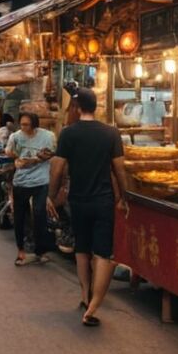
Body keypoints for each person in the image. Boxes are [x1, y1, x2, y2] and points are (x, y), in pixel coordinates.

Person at [48, 88, 128, 327]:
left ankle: (85, 297)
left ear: (77, 107)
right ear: (96, 107)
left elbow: (58, 168)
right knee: (103, 253)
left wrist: (50, 197)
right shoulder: (111, 133)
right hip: (103, 201)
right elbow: (120, 170)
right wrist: (124, 196)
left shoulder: (68, 134)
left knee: (82, 248)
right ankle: (93, 307)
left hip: (78, 201)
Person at [7, 112, 56, 266]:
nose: (23, 127)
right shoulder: (15, 137)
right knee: (19, 217)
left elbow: (51, 153)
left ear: (34, 124)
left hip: (41, 181)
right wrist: (16, 159)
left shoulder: (48, 136)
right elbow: (9, 152)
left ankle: (40, 251)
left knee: (39, 213)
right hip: (21, 182)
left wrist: (36, 159)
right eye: (21, 124)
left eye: (27, 124)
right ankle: (20, 250)